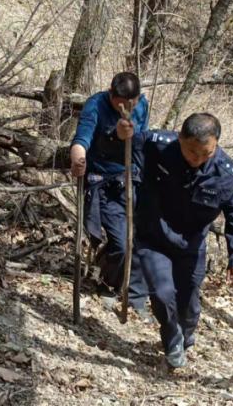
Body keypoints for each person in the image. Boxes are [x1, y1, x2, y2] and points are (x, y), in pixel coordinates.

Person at [131, 113, 233, 368]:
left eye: (205, 153)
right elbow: (125, 145)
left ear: (216, 145)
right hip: (153, 237)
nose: (197, 159)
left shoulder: (227, 174)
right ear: (180, 138)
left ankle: (185, 334)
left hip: (191, 245)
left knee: (188, 303)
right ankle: (172, 338)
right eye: (191, 152)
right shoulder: (157, 145)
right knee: (162, 293)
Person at [69, 72, 152, 320]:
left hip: (131, 178)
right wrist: (78, 160)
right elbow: (81, 140)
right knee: (122, 241)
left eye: (131, 103)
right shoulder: (95, 105)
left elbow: (142, 140)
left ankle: (133, 292)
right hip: (103, 180)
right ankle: (107, 284)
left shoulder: (142, 105)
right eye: (120, 104)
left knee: (141, 237)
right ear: (110, 94)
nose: (125, 108)